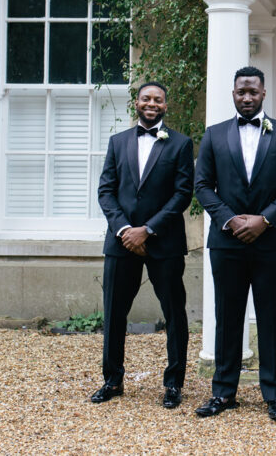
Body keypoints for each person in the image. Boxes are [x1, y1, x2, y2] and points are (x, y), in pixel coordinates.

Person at [193, 66, 276, 422]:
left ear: (263, 94)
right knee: (227, 316)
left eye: (253, 92)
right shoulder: (213, 135)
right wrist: (229, 218)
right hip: (226, 242)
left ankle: (275, 394)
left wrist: (265, 219)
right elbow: (202, 185)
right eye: (241, 91)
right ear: (233, 94)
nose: (246, 97)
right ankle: (223, 391)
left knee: (272, 315)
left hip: (270, 240)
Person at [93, 81, 193, 409]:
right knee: (114, 313)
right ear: (136, 102)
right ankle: (112, 379)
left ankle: (174, 384)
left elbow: (182, 194)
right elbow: (106, 190)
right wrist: (125, 230)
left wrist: (147, 230)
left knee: (174, 314)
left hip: (164, 242)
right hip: (121, 243)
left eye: (158, 99)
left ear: (166, 105)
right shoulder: (117, 142)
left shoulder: (180, 144)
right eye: (146, 98)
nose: (152, 104)